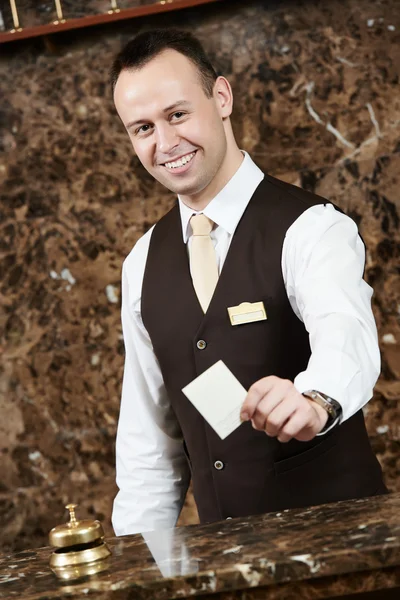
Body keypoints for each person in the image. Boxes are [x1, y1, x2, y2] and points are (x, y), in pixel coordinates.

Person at [110, 29, 388, 536]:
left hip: (343, 549)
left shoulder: (310, 227)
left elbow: (344, 332)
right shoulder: (141, 264)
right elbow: (149, 450)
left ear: (220, 98)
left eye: (177, 115)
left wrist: (316, 401)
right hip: (229, 564)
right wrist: (135, 568)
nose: (165, 144)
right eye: (142, 128)